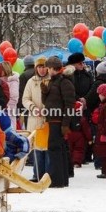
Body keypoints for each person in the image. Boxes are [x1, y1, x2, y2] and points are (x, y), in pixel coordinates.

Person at [41, 56, 76, 188]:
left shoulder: (64, 82)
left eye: (48, 68)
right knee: (57, 149)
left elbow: (69, 105)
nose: (46, 70)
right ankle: (61, 179)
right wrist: (44, 92)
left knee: (55, 149)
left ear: (52, 68)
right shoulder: (53, 81)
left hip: (59, 120)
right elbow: (46, 102)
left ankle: (57, 179)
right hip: (52, 119)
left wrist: (66, 124)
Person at [22, 56, 50, 182]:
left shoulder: (51, 80)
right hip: (35, 118)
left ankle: (48, 175)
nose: (42, 70)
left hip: (48, 118)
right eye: (39, 67)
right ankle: (37, 174)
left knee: (48, 148)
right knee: (37, 148)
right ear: (36, 68)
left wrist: (47, 109)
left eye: (44, 66)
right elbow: (25, 99)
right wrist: (33, 108)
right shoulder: (31, 81)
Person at [18, 55, 36, 128]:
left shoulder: (23, 75)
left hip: (27, 104)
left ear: (25, 64)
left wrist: (19, 107)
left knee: (29, 126)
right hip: (38, 103)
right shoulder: (39, 73)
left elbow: (21, 92)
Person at [2, 61, 19, 129]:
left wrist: (4, 107)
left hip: (9, 112)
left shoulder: (13, 81)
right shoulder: (2, 80)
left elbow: (14, 99)